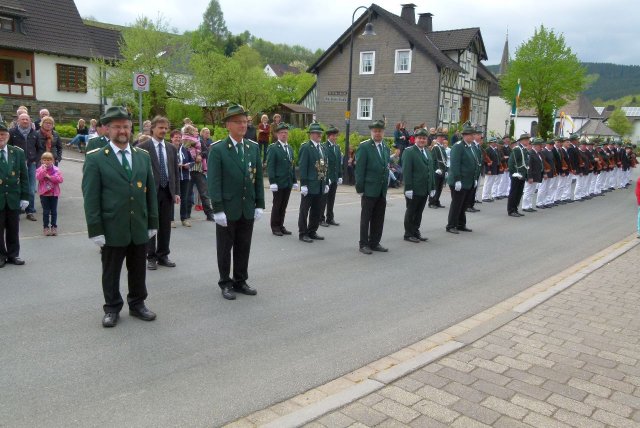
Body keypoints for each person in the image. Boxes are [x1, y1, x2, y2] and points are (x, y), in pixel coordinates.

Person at [81, 106, 159, 327]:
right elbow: (91, 196)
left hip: (138, 225)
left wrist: (152, 221)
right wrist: (95, 229)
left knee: (138, 269)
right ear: (107, 129)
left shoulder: (142, 156)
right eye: (117, 127)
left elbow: (150, 192)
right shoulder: (96, 158)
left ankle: (137, 304)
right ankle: (112, 308)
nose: (122, 131)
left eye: (126, 126)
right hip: (112, 226)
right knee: (111, 271)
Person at [208, 104, 264, 300]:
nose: (243, 125)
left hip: (246, 207)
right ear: (228, 125)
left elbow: (256, 179)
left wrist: (259, 204)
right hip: (228, 208)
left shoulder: (253, 148)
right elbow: (214, 182)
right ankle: (225, 282)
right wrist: (217, 209)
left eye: (245, 122)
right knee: (224, 248)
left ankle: (240, 280)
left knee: (243, 245)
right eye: (238, 122)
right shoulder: (218, 149)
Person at [136, 116, 180, 270]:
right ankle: (151, 256)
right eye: (160, 127)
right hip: (150, 192)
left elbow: (175, 172)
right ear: (152, 128)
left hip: (167, 190)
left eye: (166, 128)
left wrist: (176, 192)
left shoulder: (171, 148)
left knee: (165, 226)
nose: (163, 131)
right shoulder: (142, 147)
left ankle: (163, 255)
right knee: (151, 224)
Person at [355, 119, 390, 254]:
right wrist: (360, 188)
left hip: (381, 190)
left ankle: (375, 242)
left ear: (383, 132)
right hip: (369, 189)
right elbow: (360, 170)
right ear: (371, 132)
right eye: (375, 131)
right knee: (366, 218)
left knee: (379, 217)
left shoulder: (385, 147)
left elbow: (385, 167)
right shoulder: (364, 147)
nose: (377, 133)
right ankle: (363, 244)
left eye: (380, 131)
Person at [0, 122, 29, 267]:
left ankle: (13, 255)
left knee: (13, 228)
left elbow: (24, 177)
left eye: (3, 134)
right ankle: (1, 256)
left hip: (13, 197)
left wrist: (25, 197)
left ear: (8, 136)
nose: (1, 137)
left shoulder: (17, 152)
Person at [446, 123, 480, 234]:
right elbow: (455, 164)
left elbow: (475, 163)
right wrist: (457, 180)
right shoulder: (458, 146)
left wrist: (475, 178)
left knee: (464, 204)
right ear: (464, 135)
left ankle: (461, 224)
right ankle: (451, 225)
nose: (471, 136)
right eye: (469, 135)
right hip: (459, 181)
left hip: (468, 181)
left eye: (473, 135)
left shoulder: (472, 147)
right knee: (457, 204)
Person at [298, 123, 329, 243]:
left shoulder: (322, 148)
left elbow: (324, 165)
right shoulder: (306, 147)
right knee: (304, 210)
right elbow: (303, 166)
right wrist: (304, 184)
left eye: (320, 133)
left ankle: (312, 231)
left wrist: (326, 182)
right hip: (310, 184)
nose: (319, 135)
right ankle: (303, 232)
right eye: (317, 133)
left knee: (317, 209)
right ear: (311, 134)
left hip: (320, 184)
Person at [402, 128, 435, 243]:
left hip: (424, 188)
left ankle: (416, 231)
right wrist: (408, 188)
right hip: (414, 188)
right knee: (411, 211)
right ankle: (408, 233)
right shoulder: (409, 151)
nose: (422, 140)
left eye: (424, 138)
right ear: (415, 139)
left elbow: (431, 170)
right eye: (419, 138)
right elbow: (407, 171)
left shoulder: (427, 152)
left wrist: (432, 187)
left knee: (419, 212)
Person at [8, 112, 41, 221]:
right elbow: (8, 148)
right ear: (18, 121)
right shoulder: (12, 133)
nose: (25, 121)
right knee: (16, 188)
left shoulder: (35, 133)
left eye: (27, 119)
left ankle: (30, 211)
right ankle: (16, 210)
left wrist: (36, 160)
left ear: (30, 121)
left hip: (31, 164)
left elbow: (39, 149)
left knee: (31, 189)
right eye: (23, 119)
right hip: (16, 165)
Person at [267, 122, 297, 236]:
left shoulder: (289, 148)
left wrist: (294, 180)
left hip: (287, 181)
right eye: (281, 133)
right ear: (277, 135)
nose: (284, 135)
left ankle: (281, 225)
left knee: (284, 205)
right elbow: (271, 166)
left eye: (285, 132)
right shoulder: (273, 148)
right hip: (278, 182)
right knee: (277, 205)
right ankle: (275, 226)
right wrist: (272, 182)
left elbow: (292, 165)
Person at [185, 126, 214, 221]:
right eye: (195, 131)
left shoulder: (199, 141)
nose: (197, 132)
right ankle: (186, 214)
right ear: (189, 132)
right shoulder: (184, 142)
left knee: (204, 193)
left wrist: (200, 155)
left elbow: (206, 151)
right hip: (188, 171)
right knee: (187, 193)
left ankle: (209, 214)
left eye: (197, 131)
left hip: (199, 170)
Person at [36, 151, 63, 236]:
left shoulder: (56, 169)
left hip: (54, 193)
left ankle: (54, 226)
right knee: (46, 212)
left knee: (54, 211)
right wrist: (43, 170)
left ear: (53, 161)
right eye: (45, 160)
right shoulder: (39, 169)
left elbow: (60, 180)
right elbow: (38, 177)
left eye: (49, 160)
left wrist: (49, 177)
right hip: (44, 194)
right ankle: (46, 227)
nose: (47, 162)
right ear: (41, 161)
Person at [320, 125, 342, 227]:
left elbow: (338, 163)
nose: (335, 138)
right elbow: (323, 164)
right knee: (323, 199)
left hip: (334, 177)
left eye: (335, 136)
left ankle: (330, 217)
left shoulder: (337, 147)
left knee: (331, 199)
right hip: (327, 178)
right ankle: (321, 218)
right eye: (333, 136)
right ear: (328, 136)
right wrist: (326, 177)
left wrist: (340, 175)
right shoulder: (324, 147)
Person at [172, 129, 194, 227]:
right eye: (176, 137)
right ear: (172, 138)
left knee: (184, 198)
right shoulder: (168, 148)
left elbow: (192, 162)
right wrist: (176, 165)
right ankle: (170, 220)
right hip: (172, 178)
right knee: (171, 198)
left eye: (179, 137)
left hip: (184, 177)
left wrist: (187, 165)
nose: (178, 139)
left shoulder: (185, 149)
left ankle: (184, 218)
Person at [507, 133, 531, 217]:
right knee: (514, 192)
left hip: (522, 174)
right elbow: (511, 162)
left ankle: (515, 209)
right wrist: (514, 173)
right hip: (516, 174)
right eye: (526, 140)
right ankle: (511, 210)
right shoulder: (517, 149)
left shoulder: (524, 149)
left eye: (528, 140)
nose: (527, 141)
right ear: (521, 141)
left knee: (519, 193)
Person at [522, 138, 544, 212]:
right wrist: (529, 177)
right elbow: (529, 166)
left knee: (532, 191)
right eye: (540, 145)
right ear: (535, 146)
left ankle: (529, 205)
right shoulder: (531, 153)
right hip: (531, 176)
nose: (541, 146)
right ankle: (525, 206)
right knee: (528, 191)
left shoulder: (538, 153)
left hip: (536, 175)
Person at [428, 130, 448, 208]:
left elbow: (444, 160)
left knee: (439, 188)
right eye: (441, 137)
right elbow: (433, 160)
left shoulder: (441, 147)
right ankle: (431, 202)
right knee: (435, 187)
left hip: (442, 169)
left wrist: (445, 170)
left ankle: (436, 201)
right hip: (437, 171)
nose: (443, 139)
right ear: (438, 138)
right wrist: (436, 169)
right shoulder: (435, 148)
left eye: (443, 137)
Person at [481, 136, 500, 202]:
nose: (495, 143)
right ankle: (485, 196)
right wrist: (488, 169)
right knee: (487, 183)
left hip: (494, 168)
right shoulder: (488, 150)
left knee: (491, 183)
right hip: (489, 169)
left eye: (495, 142)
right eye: (493, 142)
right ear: (490, 143)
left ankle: (488, 196)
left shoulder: (495, 149)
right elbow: (486, 160)